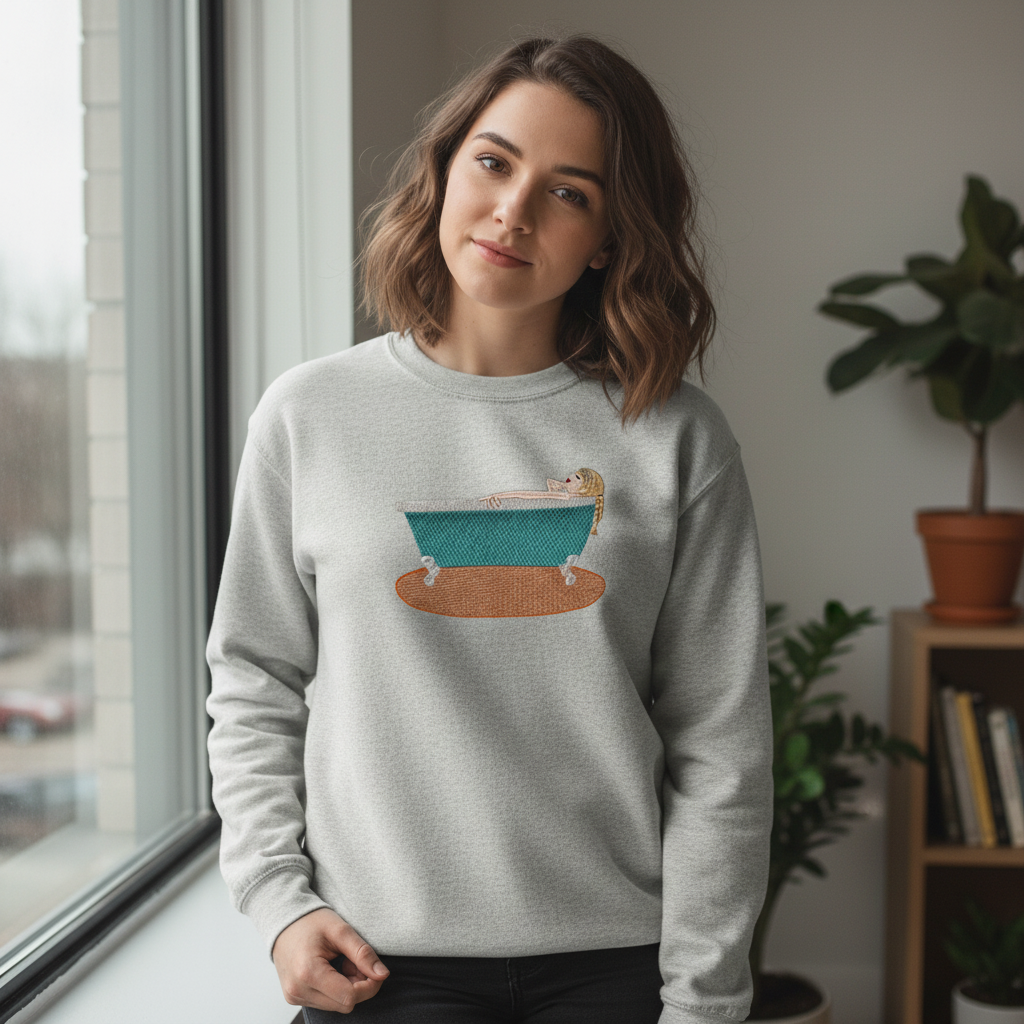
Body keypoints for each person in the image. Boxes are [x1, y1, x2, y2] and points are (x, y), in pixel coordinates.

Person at [206, 32, 774, 1024]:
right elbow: (253, 678)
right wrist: (277, 902)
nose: (511, 211)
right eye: (493, 161)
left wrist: (704, 1002)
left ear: (606, 235)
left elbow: (721, 743)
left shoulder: (676, 438)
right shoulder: (309, 416)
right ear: (443, 171)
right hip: (377, 963)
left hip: (615, 961)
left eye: (568, 190)